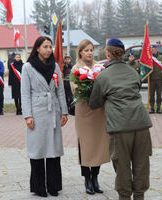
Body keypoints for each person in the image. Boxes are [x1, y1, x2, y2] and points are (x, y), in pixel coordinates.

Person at [89, 38, 153, 200]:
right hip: (141, 123)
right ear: (123, 54)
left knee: (122, 166)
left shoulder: (103, 76)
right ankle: (139, 196)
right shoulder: (133, 72)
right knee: (141, 164)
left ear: (108, 54)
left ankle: (124, 197)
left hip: (119, 126)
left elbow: (94, 103)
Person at [21, 36, 68, 197]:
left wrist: (64, 111)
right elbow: (25, 93)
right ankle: (39, 187)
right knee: (38, 149)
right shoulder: (28, 67)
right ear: (38, 48)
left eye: (50, 47)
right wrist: (27, 115)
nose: (49, 50)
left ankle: (54, 186)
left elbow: (60, 90)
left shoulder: (55, 67)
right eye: (45, 47)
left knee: (54, 149)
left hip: (53, 110)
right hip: (37, 111)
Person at [70, 39, 110, 195]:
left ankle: (95, 178)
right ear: (80, 52)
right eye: (86, 50)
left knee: (99, 145)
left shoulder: (99, 67)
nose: (89, 53)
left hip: (99, 112)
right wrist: (88, 90)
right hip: (84, 112)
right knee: (86, 146)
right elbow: (76, 89)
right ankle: (87, 179)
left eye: (91, 50)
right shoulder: (76, 68)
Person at [149, 45, 162, 114]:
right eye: (151, 49)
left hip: (159, 80)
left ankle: (158, 108)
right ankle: (152, 108)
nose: (152, 50)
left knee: (159, 95)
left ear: (156, 49)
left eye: (153, 49)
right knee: (151, 95)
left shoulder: (161, 58)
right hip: (151, 80)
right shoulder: (149, 58)